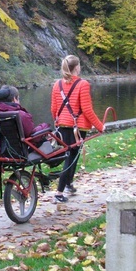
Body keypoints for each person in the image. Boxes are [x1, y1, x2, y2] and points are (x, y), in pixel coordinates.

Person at [50, 55, 105, 202]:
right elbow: (87, 109)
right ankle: (59, 193)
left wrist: (57, 123)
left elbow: (54, 108)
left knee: (71, 156)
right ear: (76, 68)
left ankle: (69, 184)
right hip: (77, 127)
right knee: (71, 157)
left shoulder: (57, 85)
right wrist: (100, 126)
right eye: (79, 65)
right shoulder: (83, 84)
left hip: (62, 125)